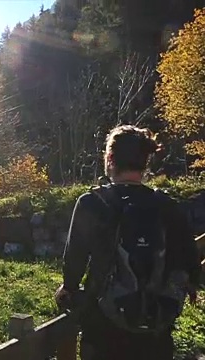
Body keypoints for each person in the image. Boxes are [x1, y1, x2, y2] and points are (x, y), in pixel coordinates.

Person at [55, 125, 202, 360]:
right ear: (146, 161)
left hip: (104, 327)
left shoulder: (92, 203)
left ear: (110, 158)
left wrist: (68, 289)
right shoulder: (167, 205)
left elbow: (75, 257)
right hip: (155, 327)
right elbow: (189, 260)